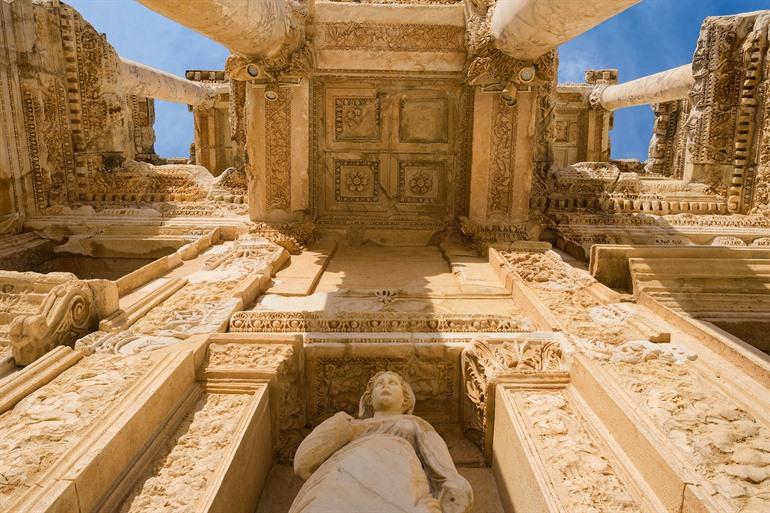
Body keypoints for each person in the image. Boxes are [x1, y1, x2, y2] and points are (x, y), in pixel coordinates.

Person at [290, 371, 473, 513]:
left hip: (397, 482)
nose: (385, 386)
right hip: (339, 478)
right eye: (379, 384)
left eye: (392, 383)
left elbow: (442, 466)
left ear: (405, 399)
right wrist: (343, 426)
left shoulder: (415, 424)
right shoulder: (349, 426)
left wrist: (453, 495)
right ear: (369, 399)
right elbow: (303, 463)